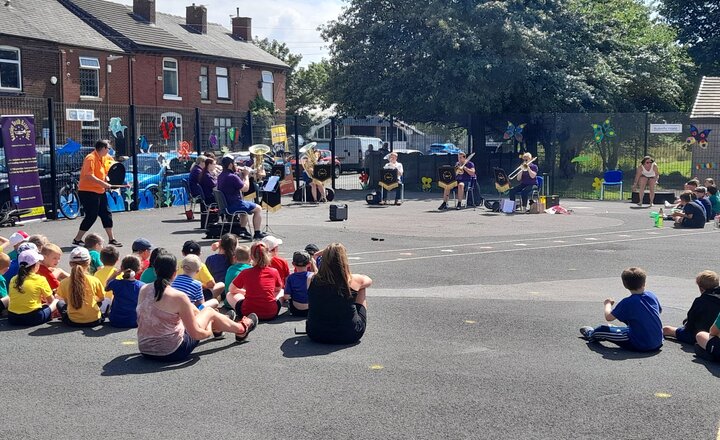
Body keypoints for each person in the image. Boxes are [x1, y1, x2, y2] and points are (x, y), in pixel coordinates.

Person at [136, 253, 258, 362]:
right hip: (172, 351)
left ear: (155, 271)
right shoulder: (179, 297)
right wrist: (209, 327)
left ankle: (221, 322)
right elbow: (197, 334)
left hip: (145, 349)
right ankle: (241, 329)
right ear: (175, 272)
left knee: (200, 313)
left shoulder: (144, 289)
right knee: (209, 312)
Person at [579, 267, 662, 352]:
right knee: (634, 323)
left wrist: (607, 304)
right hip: (658, 341)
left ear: (625, 285)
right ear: (644, 282)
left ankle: (591, 334)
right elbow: (659, 311)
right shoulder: (652, 295)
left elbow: (609, 317)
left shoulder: (628, 302)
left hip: (639, 343)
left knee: (602, 329)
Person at [306, 243, 371, 344]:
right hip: (349, 334)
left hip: (316, 333)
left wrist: (315, 256)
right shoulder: (353, 280)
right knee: (361, 288)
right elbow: (369, 280)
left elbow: (318, 274)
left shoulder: (311, 279)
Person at [73, 139, 123, 247]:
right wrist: (103, 183)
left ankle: (111, 239)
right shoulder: (90, 158)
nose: (109, 150)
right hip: (87, 191)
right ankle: (77, 239)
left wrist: (112, 181)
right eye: (108, 148)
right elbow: (88, 176)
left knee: (106, 214)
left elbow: (112, 168)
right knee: (91, 216)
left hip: (100, 191)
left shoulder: (105, 157)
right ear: (103, 148)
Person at [227, 242, 284, 321]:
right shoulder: (274, 271)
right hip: (271, 313)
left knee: (229, 294)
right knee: (281, 291)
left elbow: (231, 289)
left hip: (247, 312)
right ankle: (267, 305)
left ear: (251, 257)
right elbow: (278, 289)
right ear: (268, 254)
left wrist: (244, 292)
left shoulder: (245, 272)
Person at [56, 247, 111, 327]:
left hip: (73, 321)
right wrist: (94, 299)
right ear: (89, 262)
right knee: (107, 300)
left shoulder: (64, 282)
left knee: (60, 303)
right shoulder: (94, 280)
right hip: (95, 320)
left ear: (70, 264)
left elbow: (66, 301)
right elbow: (101, 298)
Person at [663, 270, 720, 344]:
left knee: (667, 329)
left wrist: (686, 324)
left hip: (696, 334)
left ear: (701, 288)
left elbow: (691, 321)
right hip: (717, 334)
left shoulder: (700, 301)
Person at [216, 156, 267, 240]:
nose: (236, 166)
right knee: (258, 208)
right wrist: (246, 176)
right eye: (235, 164)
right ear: (230, 165)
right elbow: (245, 188)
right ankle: (257, 233)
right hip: (234, 204)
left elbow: (236, 184)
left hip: (226, 205)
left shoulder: (221, 175)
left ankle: (242, 230)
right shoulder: (232, 176)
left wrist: (242, 176)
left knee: (244, 211)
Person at [6, 248, 58, 326]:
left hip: (12, 318)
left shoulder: (13, 279)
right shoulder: (40, 279)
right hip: (33, 318)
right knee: (56, 301)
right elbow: (50, 300)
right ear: (36, 265)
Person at [106, 255, 144, 328]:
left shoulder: (116, 283)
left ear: (122, 268)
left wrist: (114, 275)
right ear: (139, 269)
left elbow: (107, 286)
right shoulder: (142, 286)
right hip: (134, 321)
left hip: (115, 320)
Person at [284, 251, 314, 317]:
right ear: (309, 264)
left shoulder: (291, 278)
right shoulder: (313, 276)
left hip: (296, 310)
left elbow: (286, 296)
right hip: (311, 310)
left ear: (293, 264)